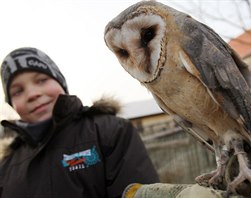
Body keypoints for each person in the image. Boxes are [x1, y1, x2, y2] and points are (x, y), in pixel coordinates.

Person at [0, 47, 159, 198]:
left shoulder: (110, 132)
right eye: (18, 91)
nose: (32, 94)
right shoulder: (7, 164)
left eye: (41, 80)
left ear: (60, 82)